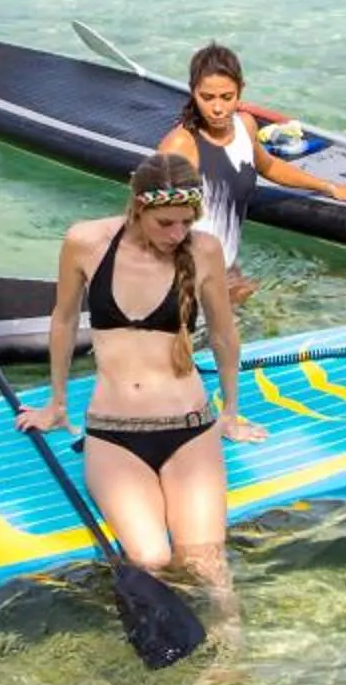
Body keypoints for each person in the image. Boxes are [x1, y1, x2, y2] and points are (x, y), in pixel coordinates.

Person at [18, 152, 261, 629]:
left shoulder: (203, 250)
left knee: (206, 564)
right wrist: (56, 403)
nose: (176, 235)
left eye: (186, 223)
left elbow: (223, 334)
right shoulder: (85, 242)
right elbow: (64, 320)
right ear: (137, 207)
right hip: (113, 434)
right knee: (150, 559)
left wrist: (231, 410)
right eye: (165, 223)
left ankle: (230, 654)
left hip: (190, 428)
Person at [153, 42, 346, 305]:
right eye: (207, 97)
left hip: (226, 270)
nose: (217, 108)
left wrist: (330, 187)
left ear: (240, 90)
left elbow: (267, 165)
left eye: (227, 97)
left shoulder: (245, 126)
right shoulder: (180, 145)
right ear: (193, 93)